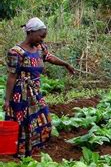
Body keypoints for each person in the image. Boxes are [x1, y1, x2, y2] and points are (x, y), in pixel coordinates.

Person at [3, 18, 75, 157]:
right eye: (40, 36)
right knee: (24, 123)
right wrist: (7, 100)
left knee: (44, 120)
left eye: (44, 37)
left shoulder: (40, 48)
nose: (42, 40)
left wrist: (65, 64)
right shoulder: (16, 52)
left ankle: (34, 149)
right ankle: (21, 153)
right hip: (21, 94)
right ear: (30, 32)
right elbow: (11, 77)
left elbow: (50, 57)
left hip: (35, 91)